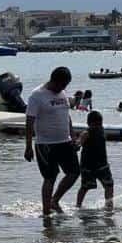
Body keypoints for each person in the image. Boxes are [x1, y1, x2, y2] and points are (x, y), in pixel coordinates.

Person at [24, 67, 79, 217]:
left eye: (66, 85)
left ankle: (55, 200)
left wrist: (73, 136)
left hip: (65, 141)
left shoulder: (62, 93)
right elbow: (29, 122)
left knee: (74, 172)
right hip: (45, 144)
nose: (64, 88)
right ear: (54, 80)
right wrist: (28, 146)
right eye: (62, 84)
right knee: (50, 177)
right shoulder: (37, 95)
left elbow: (67, 116)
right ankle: (46, 212)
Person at [76, 111, 114, 210]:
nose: (98, 126)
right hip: (88, 166)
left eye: (99, 124)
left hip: (102, 164)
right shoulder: (86, 133)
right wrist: (78, 144)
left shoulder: (102, 131)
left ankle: (109, 206)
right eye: (95, 124)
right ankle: (78, 205)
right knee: (85, 186)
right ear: (89, 124)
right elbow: (80, 141)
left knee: (109, 185)